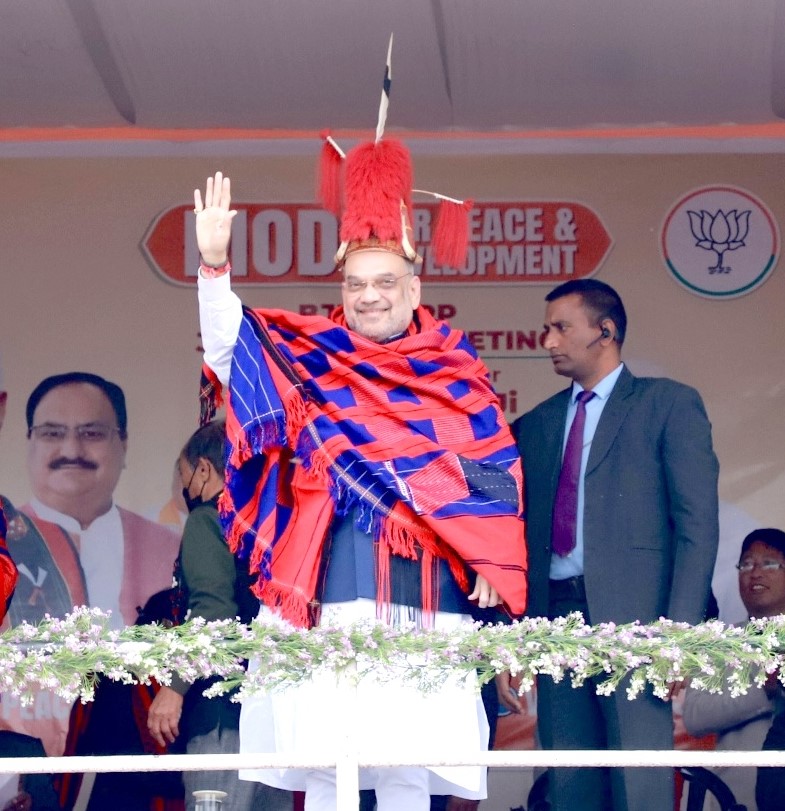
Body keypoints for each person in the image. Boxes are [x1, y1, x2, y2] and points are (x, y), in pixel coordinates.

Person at [193, 151, 527, 809]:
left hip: (419, 592)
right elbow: (231, 353)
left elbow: (490, 463)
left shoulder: (454, 373)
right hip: (326, 584)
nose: (368, 295)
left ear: (413, 288)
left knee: (406, 767)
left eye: (383, 281)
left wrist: (489, 554)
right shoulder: (312, 360)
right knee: (326, 766)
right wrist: (213, 267)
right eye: (354, 283)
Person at [503, 278, 719, 811]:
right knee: (568, 781)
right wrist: (516, 636)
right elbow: (515, 537)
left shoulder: (667, 404)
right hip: (554, 619)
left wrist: (680, 636)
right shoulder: (538, 423)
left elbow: (698, 527)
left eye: (561, 327)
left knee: (637, 781)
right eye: (546, 329)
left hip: (641, 625)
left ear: (607, 330)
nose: (548, 340)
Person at [0, 372, 180, 757]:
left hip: (132, 747)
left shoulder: (172, 547)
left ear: (124, 444)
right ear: (27, 442)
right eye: (51, 432)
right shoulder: (7, 540)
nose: (71, 448)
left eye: (92, 433)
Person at [146, 420, 291, 811]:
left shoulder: (208, 520)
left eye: (184, 475)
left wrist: (175, 688)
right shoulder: (277, 525)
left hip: (222, 717)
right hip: (275, 722)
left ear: (204, 469)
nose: (186, 488)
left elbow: (213, 611)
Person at [683, 527, 785, 811]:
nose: (755, 573)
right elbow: (694, 717)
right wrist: (764, 689)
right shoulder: (721, 642)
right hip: (732, 795)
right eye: (747, 563)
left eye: (769, 563)